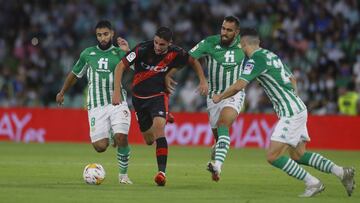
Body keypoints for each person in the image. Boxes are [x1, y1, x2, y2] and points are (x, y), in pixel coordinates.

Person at [212, 28, 356, 197]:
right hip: (298, 107)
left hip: (291, 112)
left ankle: (313, 182)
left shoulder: (256, 59)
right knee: (298, 155)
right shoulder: (271, 55)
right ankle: (342, 172)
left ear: (244, 44)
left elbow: (239, 86)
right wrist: (292, 98)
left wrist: (219, 96)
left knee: (273, 156)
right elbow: (292, 79)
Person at [112, 26, 207, 186]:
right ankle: (164, 115)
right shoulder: (142, 49)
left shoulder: (176, 52)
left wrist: (202, 80)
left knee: (159, 130)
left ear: (169, 43)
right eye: (156, 42)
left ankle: (161, 173)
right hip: (139, 99)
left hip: (158, 96)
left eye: (162, 44)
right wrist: (116, 91)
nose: (157, 46)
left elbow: (192, 60)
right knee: (149, 140)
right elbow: (120, 66)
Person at [56, 20, 133, 184]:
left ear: (112, 33)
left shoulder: (120, 53)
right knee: (100, 147)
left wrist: (128, 52)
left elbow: (139, 69)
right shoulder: (87, 54)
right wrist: (62, 92)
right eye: (99, 35)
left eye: (105, 34)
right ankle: (110, 133)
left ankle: (123, 176)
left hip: (117, 101)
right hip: (96, 106)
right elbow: (74, 74)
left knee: (121, 137)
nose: (103, 38)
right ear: (96, 36)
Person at [189, 15, 246, 181]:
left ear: (237, 32)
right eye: (223, 28)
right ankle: (217, 153)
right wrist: (202, 79)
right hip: (213, 96)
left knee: (223, 125)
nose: (224, 33)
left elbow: (259, 57)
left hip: (234, 93)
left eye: (229, 30)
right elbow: (191, 57)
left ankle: (218, 166)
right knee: (219, 135)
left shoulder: (244, 44)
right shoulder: (210, 42)